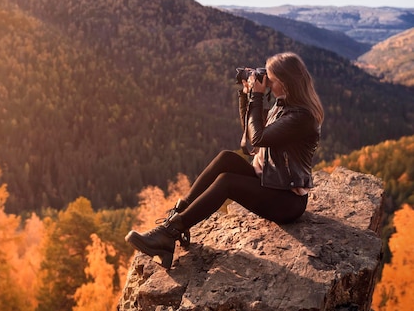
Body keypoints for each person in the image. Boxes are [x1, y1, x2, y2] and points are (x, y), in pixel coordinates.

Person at [125, 52, 324, 269]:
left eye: (271, 79)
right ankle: (174, 220)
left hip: (287, 201)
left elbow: (259, 137)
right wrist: (247, 95)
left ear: (285, 83)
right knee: (226, 158)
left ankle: (169, 234)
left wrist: (257, 96)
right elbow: (251, 137)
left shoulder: (302, 118)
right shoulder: (283, 104)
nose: (266, 82)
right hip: (272, 182)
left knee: (227, 182)